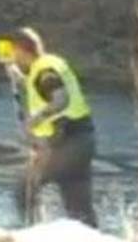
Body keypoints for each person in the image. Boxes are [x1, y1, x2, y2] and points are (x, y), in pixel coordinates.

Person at [8, 27, 98, 228]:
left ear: (21, 50)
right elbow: (46, 89)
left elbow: (61, 99)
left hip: (67, 143)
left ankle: (32, 235)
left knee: (24, 189)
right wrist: (21, 80)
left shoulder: (43, 70)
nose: (12, 57)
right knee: (80, 211)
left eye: (12, 51)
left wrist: (35, 120)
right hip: (83, 141)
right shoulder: (48, 65)